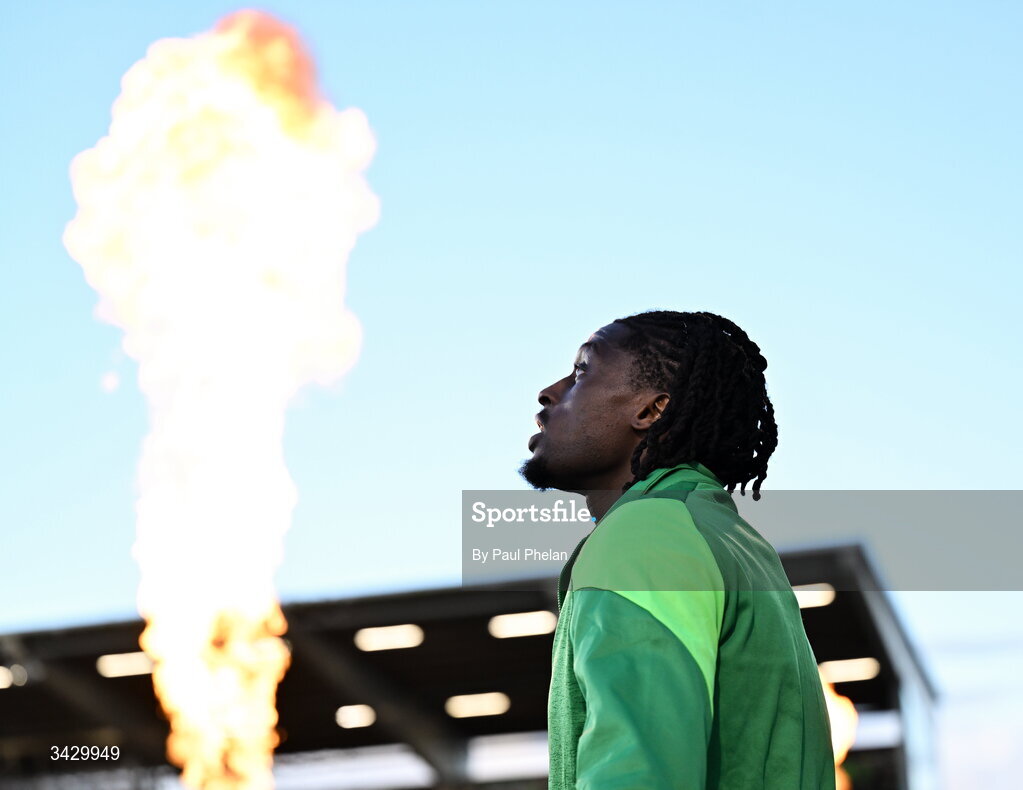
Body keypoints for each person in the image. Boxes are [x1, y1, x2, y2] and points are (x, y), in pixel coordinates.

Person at [520, 310, 835, 790]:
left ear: (651, 410)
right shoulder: (727, 537)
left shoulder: (647, 533)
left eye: (583, 371)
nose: (551, 391)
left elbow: (638, 774)